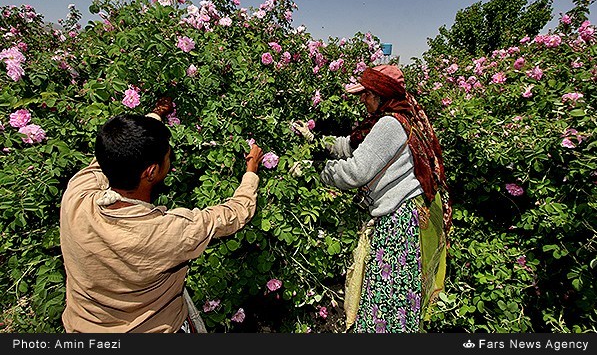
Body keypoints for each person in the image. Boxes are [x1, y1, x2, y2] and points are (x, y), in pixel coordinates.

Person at [59, 97, 264, 333]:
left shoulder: (76, 195)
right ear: (152, 171)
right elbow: (234, 214)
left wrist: (155, 116)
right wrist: (251, 172)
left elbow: (114, 153)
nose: (170, 159)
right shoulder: (165, 233)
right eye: (167, 156)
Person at [315, 64, 452, 333]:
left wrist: (316, 171)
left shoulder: (390, 124)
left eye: (367, 93)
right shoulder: (402, 116)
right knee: (402, 291)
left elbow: (356, 172)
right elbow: (354, 145)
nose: (362, 99)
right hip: (415, 209)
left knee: (388, 293)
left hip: (401, 219)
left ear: (381, 94)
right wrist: (318, 141)